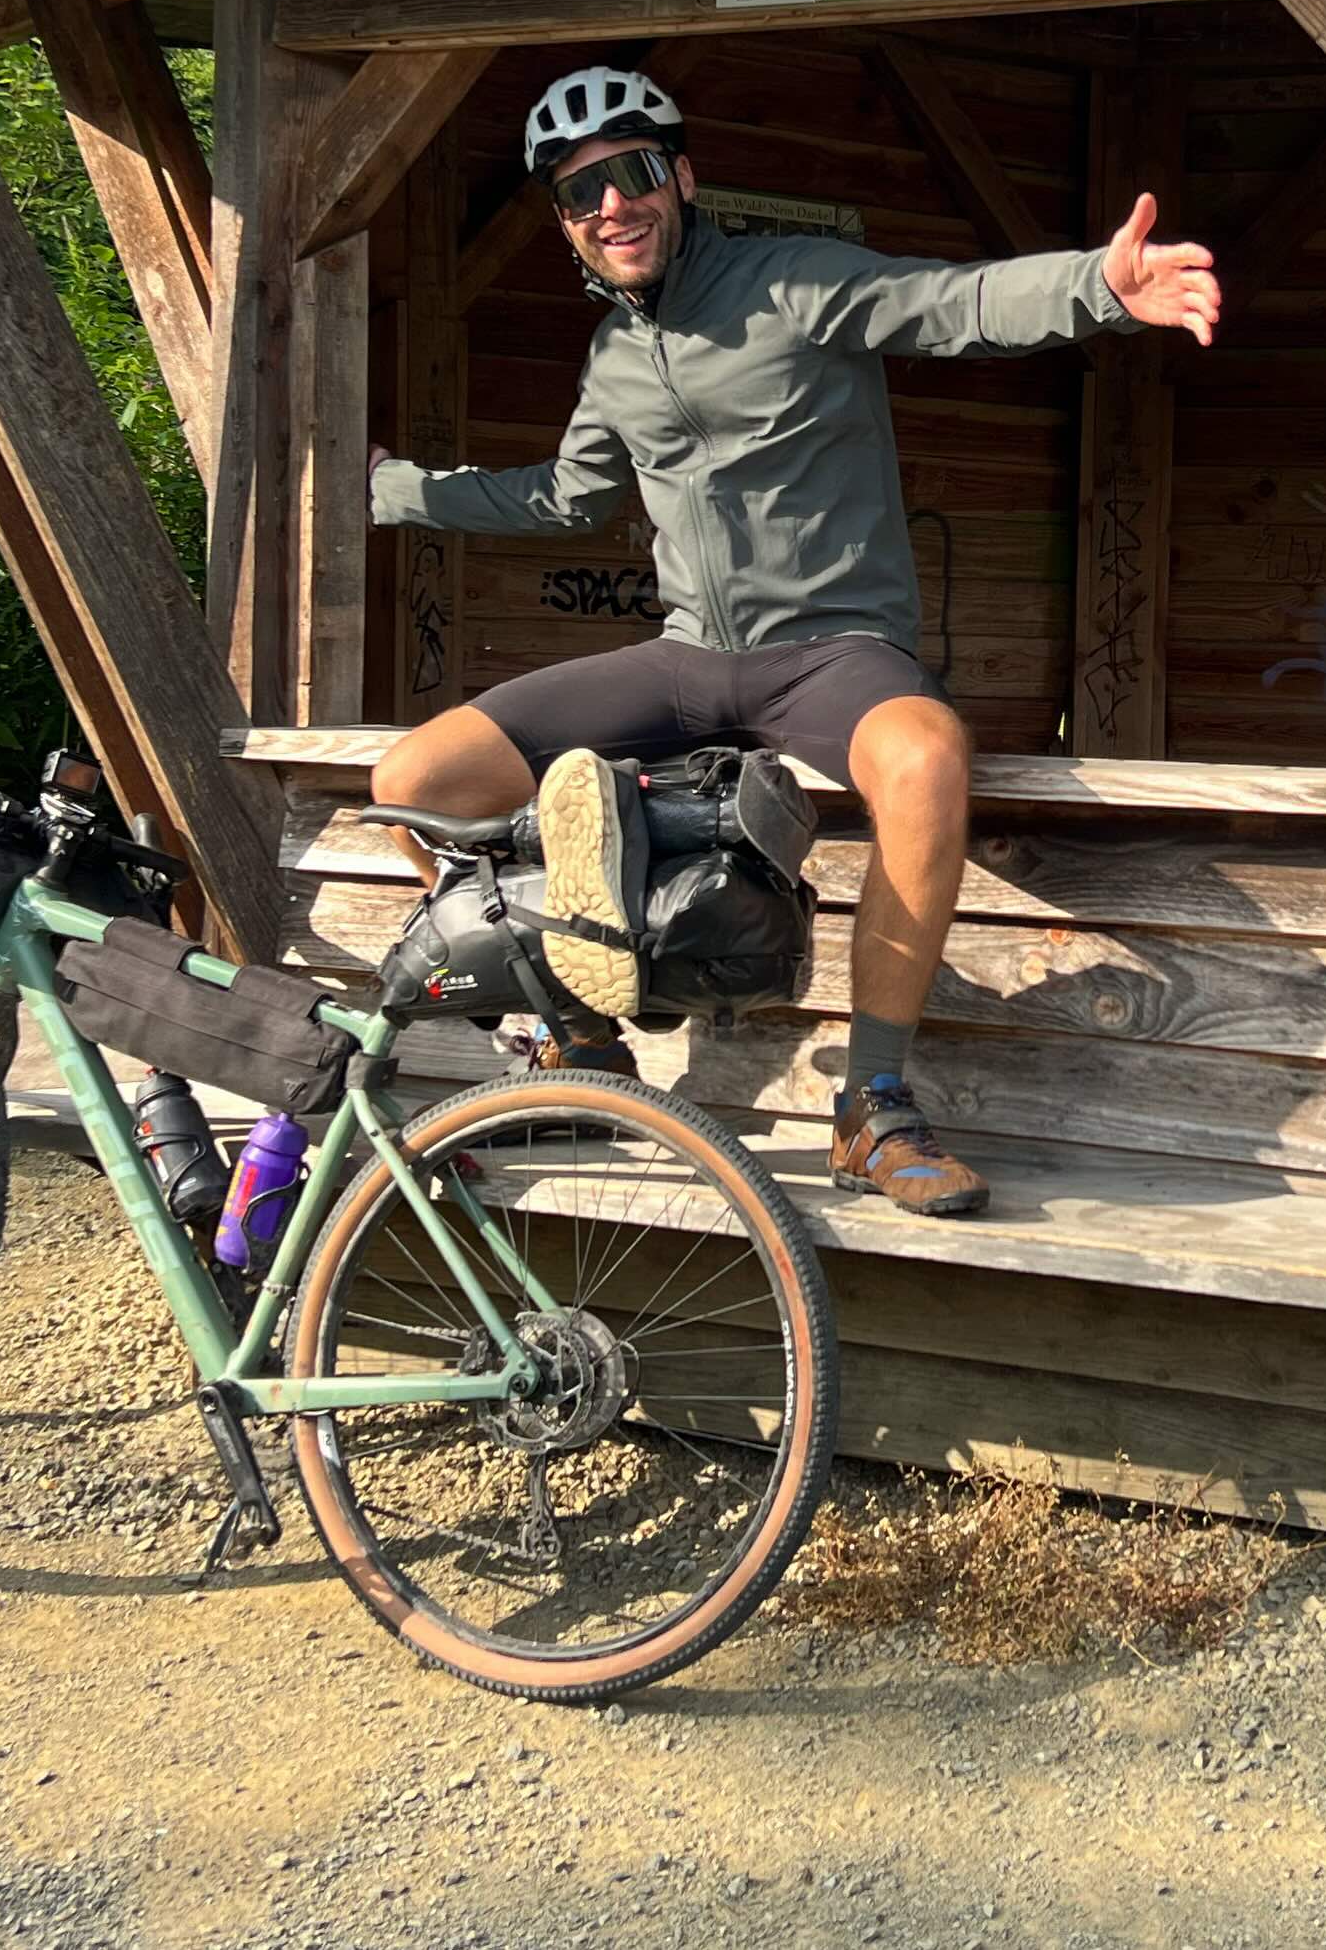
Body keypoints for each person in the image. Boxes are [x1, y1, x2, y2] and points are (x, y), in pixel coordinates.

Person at [366, 62, 1221, 1217]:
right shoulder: (614, 357)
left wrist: (1100, 284)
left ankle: (872, 1104)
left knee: (925, 754)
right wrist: (399, 490)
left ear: (680, 177)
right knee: (414, 778)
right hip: (686, 661)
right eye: (576, 193)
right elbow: (566, 497)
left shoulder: (793, 282)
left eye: (629, 172)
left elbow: (951, 304)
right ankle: (576, 1036)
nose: (609, 206)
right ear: (563, 222)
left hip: (829, 649)